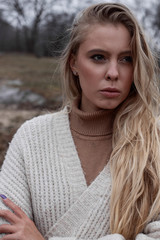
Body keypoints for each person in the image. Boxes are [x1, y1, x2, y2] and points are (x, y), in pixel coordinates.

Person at [0, 2, 160, 240]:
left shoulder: (154, 142)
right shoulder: (31, 138)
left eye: (126, 59)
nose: (113, 73)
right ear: (74, 63)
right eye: (98, 57)